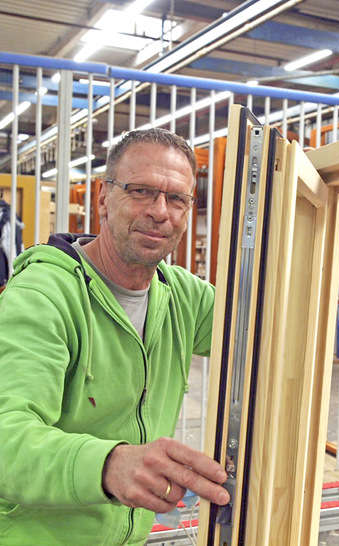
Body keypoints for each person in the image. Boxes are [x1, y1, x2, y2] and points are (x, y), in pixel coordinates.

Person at [0, 128, 230, 545]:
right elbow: (6, 437)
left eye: (177, 198)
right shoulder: (41, 297)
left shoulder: (184, 297)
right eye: (141, 191)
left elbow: (265, 333)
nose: (160, 211)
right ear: (103, 200)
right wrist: (109, 464)